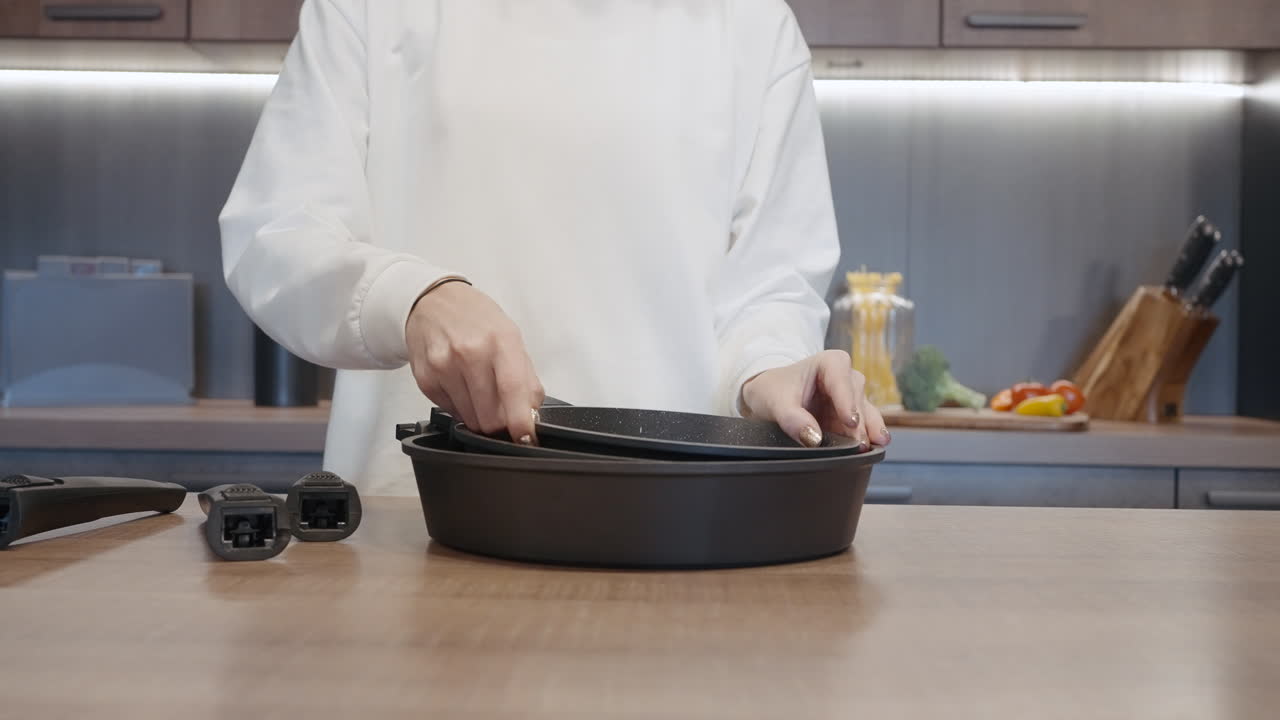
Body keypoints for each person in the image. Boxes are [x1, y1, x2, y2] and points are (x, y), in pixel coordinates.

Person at [220, 0, 890, 496]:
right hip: (416, 520)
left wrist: (769, 368)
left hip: (670, 526)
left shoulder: (752, 26)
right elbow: (277, 230)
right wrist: (412, 299)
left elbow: (769, 289)